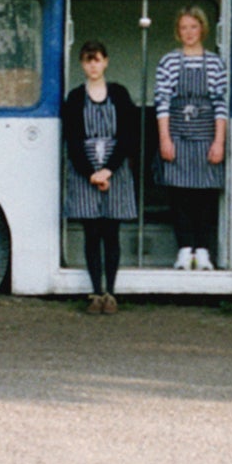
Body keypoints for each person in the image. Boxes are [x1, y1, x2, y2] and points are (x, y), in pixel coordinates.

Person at [58, 39, 140, 313]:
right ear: (82, 64)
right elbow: (72, 139)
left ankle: (111, 293)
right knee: (91, 233)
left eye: (97, 59)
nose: (93, 65)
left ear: (106, 62)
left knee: (111, 232)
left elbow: (128, 135)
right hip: (85, 172)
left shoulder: (119, 93)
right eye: (87, 60)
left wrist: (109, 169)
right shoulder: (74, 97)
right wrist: (91, 173)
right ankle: (94, 292)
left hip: (115, 170)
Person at [150, 4, 228, 271]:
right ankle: (184, 250)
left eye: (193, 27)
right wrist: (165, 139)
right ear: (177, 31)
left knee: (205, 196)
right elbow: (161, 102)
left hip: (207, 138)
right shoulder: (169, 61)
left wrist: (219, 141)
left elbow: (220, 104)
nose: (189, 32)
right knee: (179, 195)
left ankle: (203, 251)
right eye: (184, 27)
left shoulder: (215, 63)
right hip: (177, 136)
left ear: (203, 29)